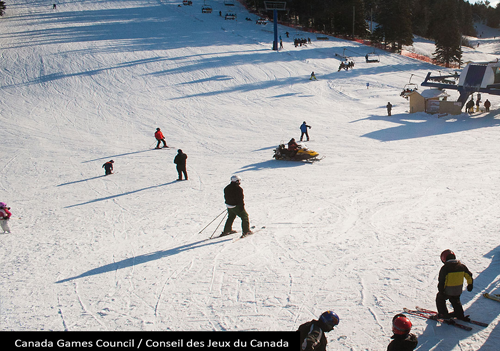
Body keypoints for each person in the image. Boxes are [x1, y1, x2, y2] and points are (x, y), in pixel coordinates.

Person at [435, 249, 473, 321]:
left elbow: (442, 281)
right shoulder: (462, 267)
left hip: (447, 291)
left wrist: (441, 291)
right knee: (455, 300)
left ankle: (443, 314)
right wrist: (470, 284)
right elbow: (469, 276)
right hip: (458, 291)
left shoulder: (445, 268)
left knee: (440, 299)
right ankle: (459, 314)